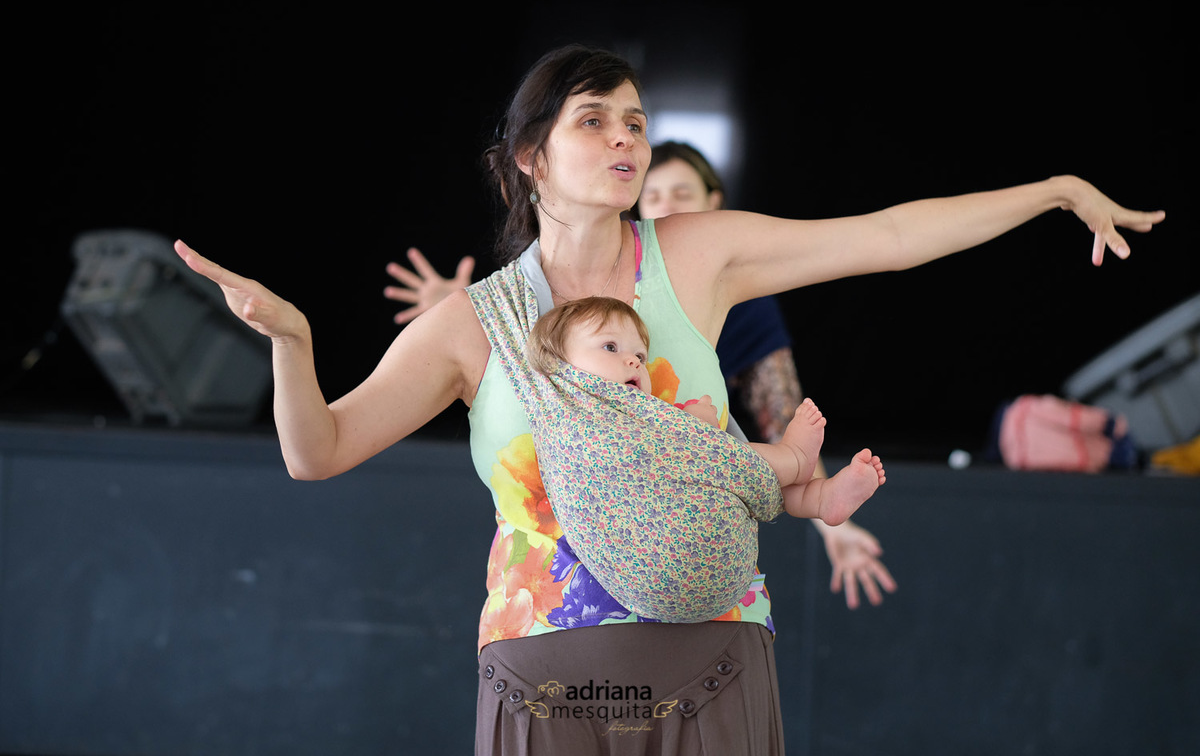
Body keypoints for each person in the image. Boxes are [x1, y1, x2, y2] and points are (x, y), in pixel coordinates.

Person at [174, 44, 1163, 754]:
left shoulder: (697, 254)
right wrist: (294, 346)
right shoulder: (472, 323)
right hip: (545, 668)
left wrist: (1054, 188)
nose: (625, 137)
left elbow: (888, 236)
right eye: (593, 119)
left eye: (637, 121)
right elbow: (319, 449)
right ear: (530, 157)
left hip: (711, 655)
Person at [387, 140, 900, 608]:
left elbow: (778, 406)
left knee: (733, 449)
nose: (669, 207)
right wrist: (459, 318)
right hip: (580, 566)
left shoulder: (734, 292)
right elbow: (546, 332)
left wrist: (833, 523)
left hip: (704, 505)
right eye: (654, 196)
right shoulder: (579, 304)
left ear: (715, 203)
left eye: (684, 193)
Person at [513, 294, 884, 622]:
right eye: (610, 348)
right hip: (650, 564)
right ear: (557, 364)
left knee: (718, 466)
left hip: (706, 563)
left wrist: (691, 428)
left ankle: (819, 499)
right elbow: (644, 458)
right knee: (722, 456)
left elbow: (670, 455)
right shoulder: (570, 416)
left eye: (640, 356)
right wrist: (698, 426)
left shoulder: (637, 410)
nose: (632, 361)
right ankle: (795, 461)